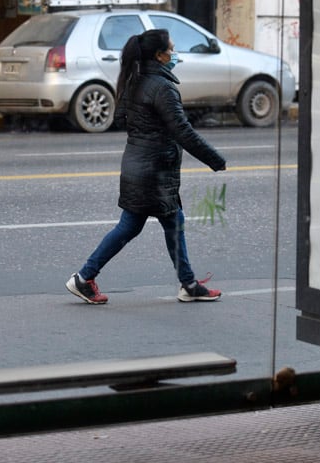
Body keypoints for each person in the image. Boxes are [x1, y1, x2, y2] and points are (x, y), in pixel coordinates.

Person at [66, 29, 227, 304]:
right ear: (160, 55)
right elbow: (182, 130)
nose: (175, 53)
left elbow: (121, 119)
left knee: (165, 222)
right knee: (145, 225)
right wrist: (214, 159)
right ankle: (84, 277)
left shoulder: (134, 80)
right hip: (154, 171)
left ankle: (187, 283)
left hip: (137, 165)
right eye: (172, 49)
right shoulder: (162, 88)